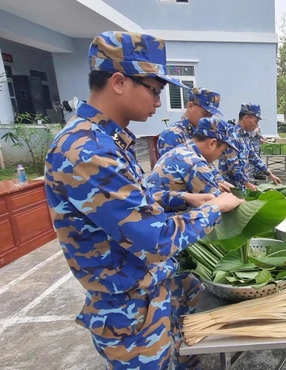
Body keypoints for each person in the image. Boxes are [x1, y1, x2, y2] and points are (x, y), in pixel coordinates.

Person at [44, 31, 244, 369]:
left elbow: (139, 200)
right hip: (129, 312)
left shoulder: (107, 140)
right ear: (119, 81)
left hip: (147, 297)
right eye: (154, 90)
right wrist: (212, 208)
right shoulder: (86, 150)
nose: (157, 101)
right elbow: (152, 238)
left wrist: (187, 198)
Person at [145, 116, 239, 369]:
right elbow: (222, 205)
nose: (220, 157)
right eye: (221, 149)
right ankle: (184, 357)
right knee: (182, 299)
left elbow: (161, 190)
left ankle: (184, 350)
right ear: (211, 143)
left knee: (185, 292)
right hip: (166, 242)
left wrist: (188, 196)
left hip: (159, 232)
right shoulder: (195, 162)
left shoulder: (180, 150)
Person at [219, 103, 282, 191]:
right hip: (231, 189)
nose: (257, 125)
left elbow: (253, 157)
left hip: (242, 186)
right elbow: (233, 168)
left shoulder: (245, 136)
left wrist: (270, 174)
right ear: (246, 118)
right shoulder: (232, 135)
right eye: (255, 121)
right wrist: (249, 185)